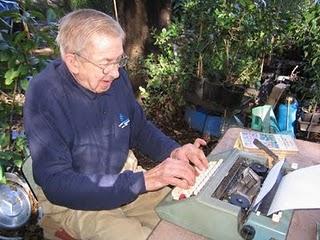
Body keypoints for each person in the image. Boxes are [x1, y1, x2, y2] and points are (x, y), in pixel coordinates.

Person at [24, 9, 208, 240]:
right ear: (73, 61)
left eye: (118, 60)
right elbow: (57, 184)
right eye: (106, 63)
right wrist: (143, 181)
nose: (115, 73)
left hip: (122, 175)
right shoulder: (46, 95)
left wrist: (174, 151)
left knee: (190, 221)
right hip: (74, 201)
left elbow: (138, 128)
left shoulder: (113, 77)